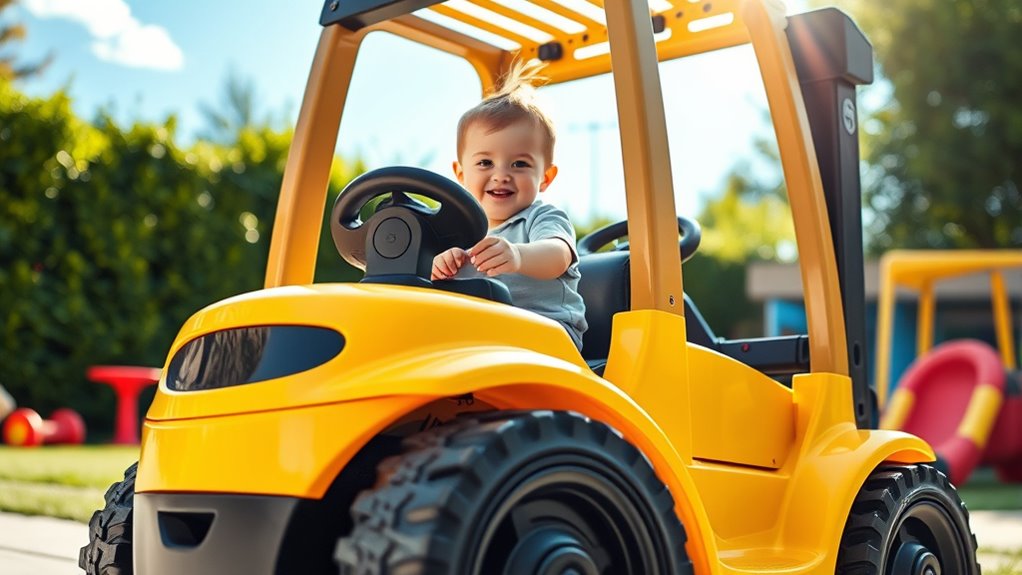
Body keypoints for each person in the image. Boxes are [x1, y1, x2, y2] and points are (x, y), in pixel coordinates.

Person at [431, 61, 587, 351]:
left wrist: (517, 255)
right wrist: (442, 266)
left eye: (519, 164)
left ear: (546, 177)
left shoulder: (541, 217)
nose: (501, 174)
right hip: (487, 337)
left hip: (549, 335)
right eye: (485, 162)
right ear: (461, 174)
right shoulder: (459, 233)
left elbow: (558, 256)